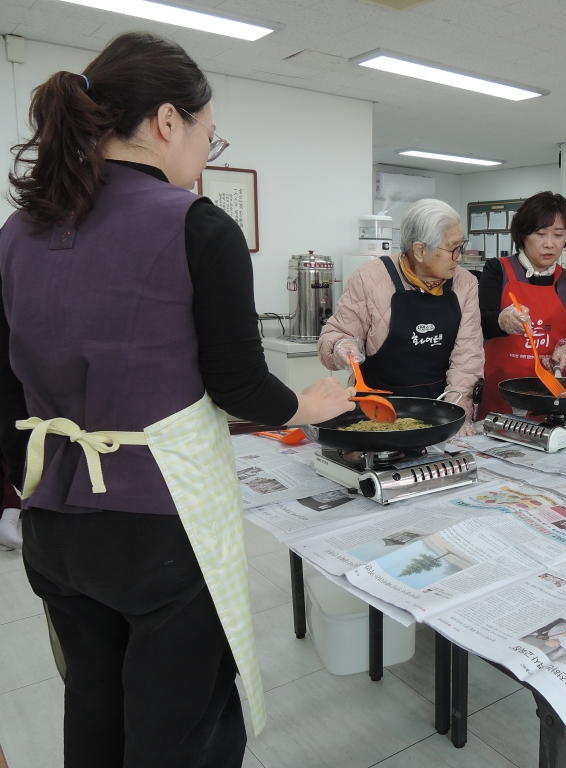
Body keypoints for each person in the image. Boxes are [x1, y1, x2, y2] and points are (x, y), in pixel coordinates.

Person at [0, 32, 355, 767]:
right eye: (208, 136)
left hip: (53, 525)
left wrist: (29, 479)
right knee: (180, 732)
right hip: (159, 530)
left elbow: (5, 383)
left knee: (92, 706)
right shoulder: (196, 224)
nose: (204, 154)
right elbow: (239, 385)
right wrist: (311, 406)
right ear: (168, 120)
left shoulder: (17, 232)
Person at [318, 198, 483, 433]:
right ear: (420, 250)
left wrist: (456, 414)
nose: (460, 257)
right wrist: (340, 346)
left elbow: (467, 357)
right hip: (374, 413)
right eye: (452, 249)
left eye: (461, 246)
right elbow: (335, 335)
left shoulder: (466, 283)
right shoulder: (369, 279)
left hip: (439, 411)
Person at [477, 191, 566, 415]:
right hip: (503, 392)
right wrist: (503, 321)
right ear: (523, 235)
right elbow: (481, 322)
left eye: (558, 235)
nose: (549, 244)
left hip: (552, 393)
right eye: (540, 234)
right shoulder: (498, 270)